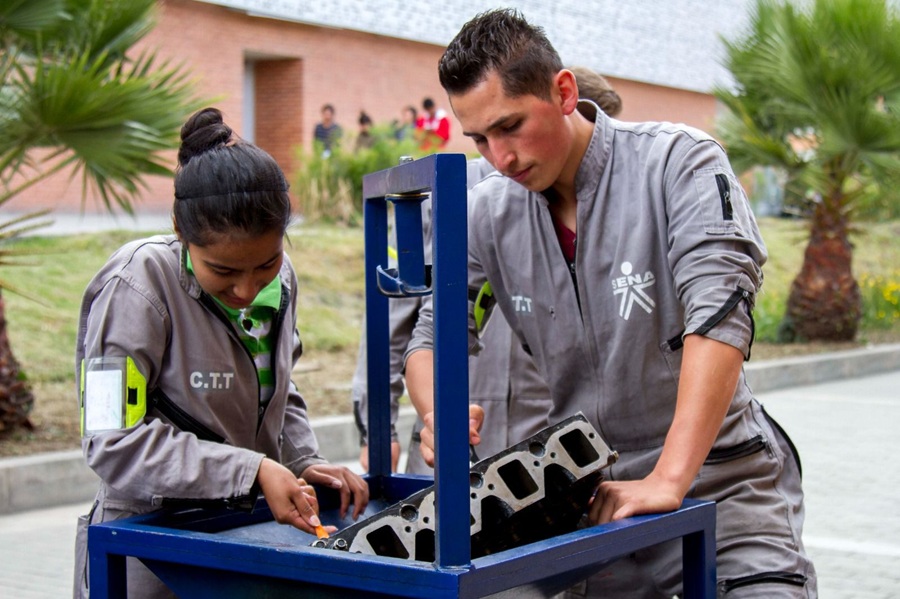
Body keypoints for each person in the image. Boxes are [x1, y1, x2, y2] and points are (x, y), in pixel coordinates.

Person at [404, 9, 816, 598]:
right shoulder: (487, 214)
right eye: (479, 140)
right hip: (594, 500)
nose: (500, 158)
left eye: (511, 126)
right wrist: (436, 413)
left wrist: (670, 477)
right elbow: (431, 338)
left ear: (564, 92)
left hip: (720, 484)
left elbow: (719, 318)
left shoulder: (679, 163)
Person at [73, 107, 369, 598]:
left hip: (245, 539)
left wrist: (301, 460)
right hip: (147, 551)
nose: (247, 289)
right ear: (179, 229)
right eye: (223, 271)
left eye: (266, 264)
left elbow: (277, 384)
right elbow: (112, 442)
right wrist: (251, 470)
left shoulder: (283, 281)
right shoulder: (136, 285)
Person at [351, 66, 625, 475]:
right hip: (448, 434)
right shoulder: (448, 196)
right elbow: (395, 321)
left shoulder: (601, 208)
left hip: (543, 443)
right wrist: (377, 428)